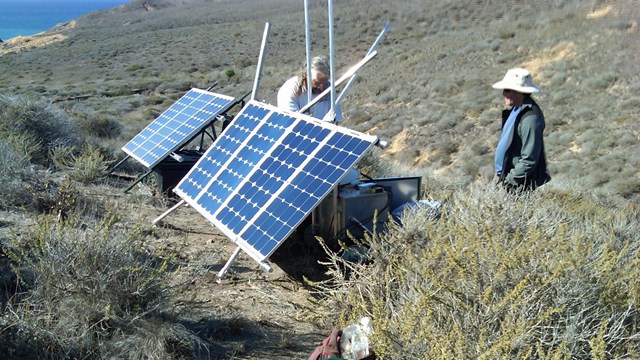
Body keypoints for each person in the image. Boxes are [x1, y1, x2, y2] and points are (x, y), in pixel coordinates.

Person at [492, 67, 551, 190]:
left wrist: (509, 181)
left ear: (520, 91)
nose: (503, 93)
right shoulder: (516, 110)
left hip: (517, 185)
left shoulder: (530, 118)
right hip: (507, 179)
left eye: (507, 90)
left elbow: (529, 159)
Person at [277, 55, 342, 122]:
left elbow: (335, 119)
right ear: (305, 76)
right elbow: (291, 121)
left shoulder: (329, 88)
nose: (321, 87)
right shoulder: (289, 90)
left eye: (324, 83)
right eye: (317, 83)